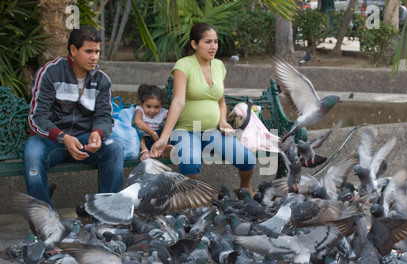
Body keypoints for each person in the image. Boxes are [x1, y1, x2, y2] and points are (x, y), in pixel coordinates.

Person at [149, 22, 256, 196]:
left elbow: (221, 102)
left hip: (213, 131)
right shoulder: (183, 65)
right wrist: (164, 138)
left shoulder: (219, 66)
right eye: (208, 41)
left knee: (248, 160)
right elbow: (178, 102)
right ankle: (189, 198)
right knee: (190, 165)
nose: (213, 46)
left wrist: (222, 121)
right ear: (194, 44)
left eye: (215, 41)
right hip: (186, 131)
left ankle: (245, 187)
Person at [24, 25, 124, 209]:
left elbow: (104, 116)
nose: (94, 57)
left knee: (114, 147)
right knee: (32, 154)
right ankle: (46, 221)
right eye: (89, 51)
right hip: (51, 141)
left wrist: (98, 133)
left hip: (84, 142)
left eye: (97, 51)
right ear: (73, 50)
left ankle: (106, 216)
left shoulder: (102, 80)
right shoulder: (50, 73)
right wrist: (63, 137)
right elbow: (37, 117)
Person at [133, 84, 172, 161]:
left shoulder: (162, 112)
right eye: (148, 106)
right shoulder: (140, 110)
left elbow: (171, 123)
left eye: (156, 107)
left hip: (158, 139)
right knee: (137, 129)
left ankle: (164, 148)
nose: (152, 111)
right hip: (145, 137)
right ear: (141, 104)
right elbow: (138, 121)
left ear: (161, 105)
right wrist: (152, 133)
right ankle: (144, 151)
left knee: (168, 128)